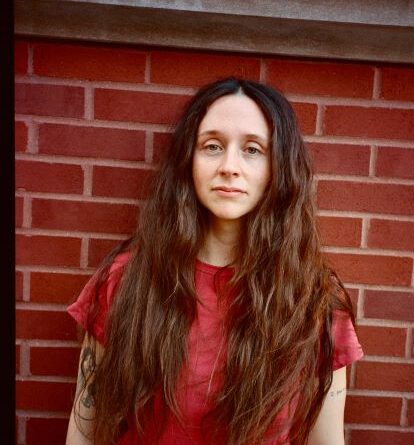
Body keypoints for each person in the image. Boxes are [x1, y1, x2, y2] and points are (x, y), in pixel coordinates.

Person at [65, 77, 363, 445]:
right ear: (188, 160)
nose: (229, 166)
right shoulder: (127, 280)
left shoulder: (314, 301)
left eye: (253, 149)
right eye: (212, 146)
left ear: (279, 167)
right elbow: (83, 432)